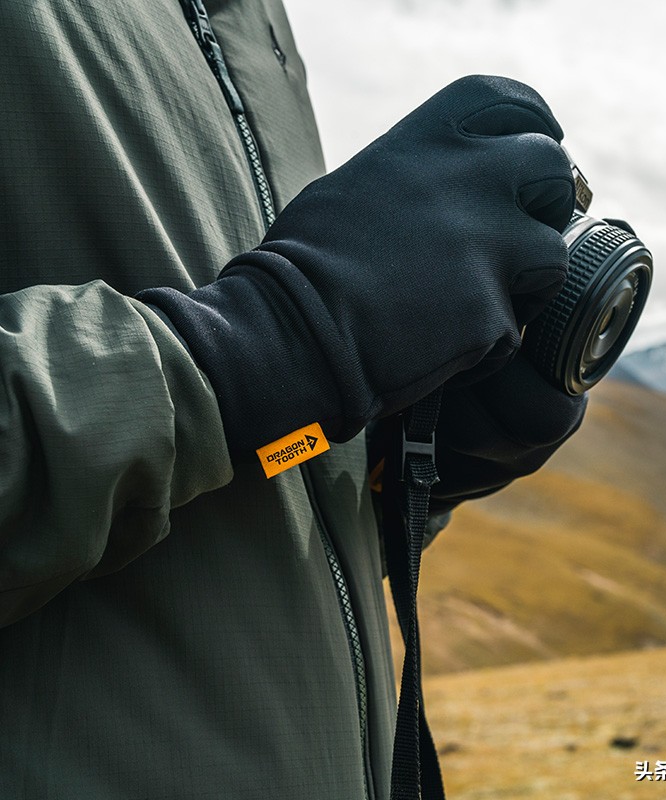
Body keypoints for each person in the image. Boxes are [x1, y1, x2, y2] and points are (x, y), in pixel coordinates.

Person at [0, 1, 586, 798]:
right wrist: (268, 339)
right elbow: (256, 352)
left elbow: (251, 476)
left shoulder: (258, 23)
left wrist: (396, 471)